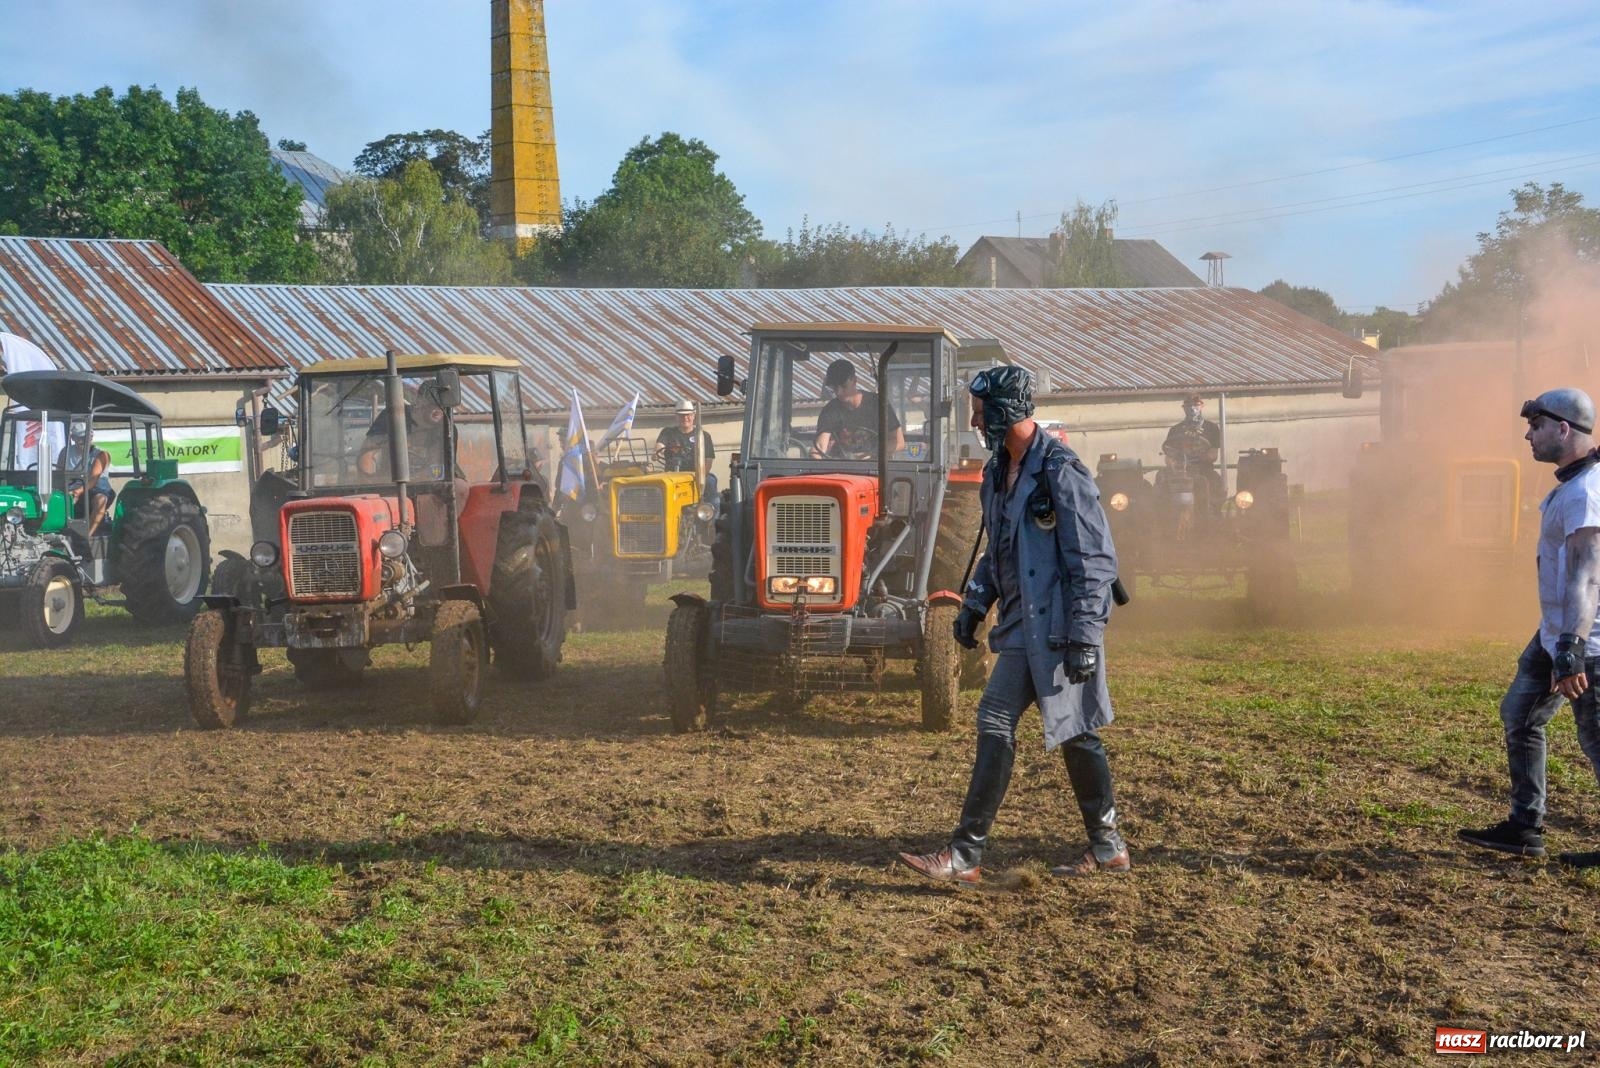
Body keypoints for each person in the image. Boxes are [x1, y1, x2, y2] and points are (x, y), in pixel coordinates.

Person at [899, 365, 1128, 884]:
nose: (975, 423)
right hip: (1023, 625)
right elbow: (996, 550)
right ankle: (974, 855)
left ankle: (976, 854)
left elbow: (1094, 561)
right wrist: (975, 603)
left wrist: (1085, 637)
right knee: (1020, 723)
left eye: (981, 413)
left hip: (1060, 627)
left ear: (1006, 411)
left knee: (1071, 731)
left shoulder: (1061, 471)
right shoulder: (997, 472)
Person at [1459, 388, 1600, 869]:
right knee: (1520, 714)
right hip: (1553, 635)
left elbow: (1587, 576)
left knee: (1596, 740)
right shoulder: (1571, 486)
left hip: (1585, 642)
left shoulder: (1586, 493)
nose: (1528, 435)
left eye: (1536, 426)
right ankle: (1524, 826)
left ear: (1563, 428)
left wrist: (1571, 650)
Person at [812, 358, 905, 460]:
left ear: (855, 380)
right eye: (834, 388)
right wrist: (815, 458)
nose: (838, 392)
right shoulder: (830, 410)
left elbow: (898, 442)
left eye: (843, 386)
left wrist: (871, 453)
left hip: (877, 466)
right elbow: (820, 447)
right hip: (841, 467)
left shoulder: (878, 404)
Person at [358, 384, 451, 481]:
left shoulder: (446, 428)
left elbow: (441, 469)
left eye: (442, 404)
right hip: (391, 482)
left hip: (429, 484)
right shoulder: (393, 416)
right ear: (420, 402)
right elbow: (367, 456)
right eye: (433, 403)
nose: (439, 408)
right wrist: (372, 482)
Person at [56, 421, 114, 537]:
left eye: (87, 437)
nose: (84, 440)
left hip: (94, 489)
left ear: (91, 437)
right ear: (73, 438)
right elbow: (59, 473)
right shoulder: (65, 452)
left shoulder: (101, 455)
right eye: (80, 438)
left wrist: (78, 492)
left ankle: (87, 536)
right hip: (71, 487)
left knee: (100, 500)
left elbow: (93, 478)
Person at [655, 399, 714, 474]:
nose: (685, 418)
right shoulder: (667, 433)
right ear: (676, 416)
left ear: (693, 416)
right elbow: (660, 446)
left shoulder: (704, 436)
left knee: (711, 480)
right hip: (672, 475)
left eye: (688, 415)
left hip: (696, 475)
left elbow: (708, 462)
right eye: (682, 415)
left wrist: (701, 476)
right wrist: (656, 453)